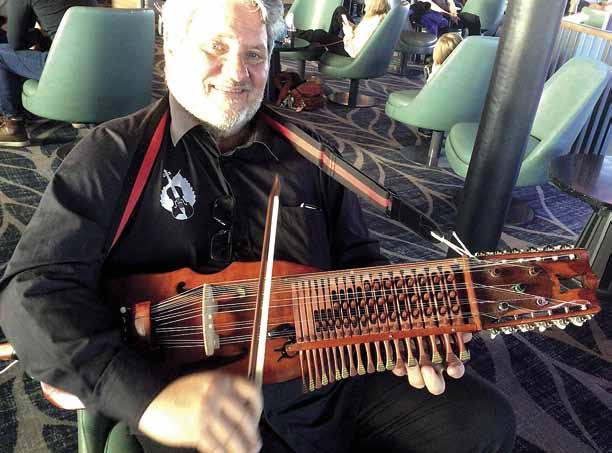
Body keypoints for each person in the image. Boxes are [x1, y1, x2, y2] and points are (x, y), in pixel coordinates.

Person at [0, 0, 516, 452]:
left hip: (325, 371)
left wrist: (400, 323)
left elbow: (358, 260)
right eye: (216, 47)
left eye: (254, 54)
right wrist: (151, 400)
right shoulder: (113, 154)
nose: (237, 72)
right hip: (193, 394)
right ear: (172, 49)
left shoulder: (311, 156)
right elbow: (32, 291)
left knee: (483, 422)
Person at [0, 0, 97, 147]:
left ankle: (13, 126)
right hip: (102, 68)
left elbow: (15, 43)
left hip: (69, 69)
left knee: (2, 53)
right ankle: (79, 110)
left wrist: (33, 37)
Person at [295, 0, 390, 57]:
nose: (365, 2)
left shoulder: (372, 22)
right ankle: (326, 42)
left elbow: (354, 51)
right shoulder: (378, 17)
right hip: (353, 39)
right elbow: (364, 37)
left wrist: (349, 33)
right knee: (340, 10)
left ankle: (293, 33)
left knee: (319, 34)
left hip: (348, 50)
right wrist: (354, 28)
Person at [411, 0, 481, 37]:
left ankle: (475, 45)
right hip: (434, 16)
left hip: (449, 16)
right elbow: (430, 5)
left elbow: (450, 2)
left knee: (474, 19)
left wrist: (454, 14)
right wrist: (447, 14)